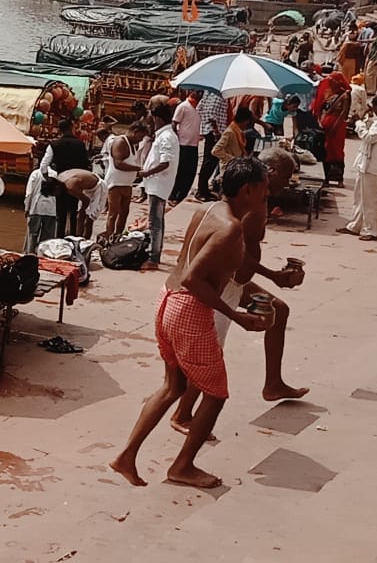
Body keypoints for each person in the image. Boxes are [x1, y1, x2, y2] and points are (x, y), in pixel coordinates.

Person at [109, 158, 272, 489]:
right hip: (188, 310)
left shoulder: (209, 210)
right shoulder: (231, 228)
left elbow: (209, 264)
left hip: (166, 301)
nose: (267, 199)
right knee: (215, 394)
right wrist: (237, 317)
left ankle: (126, 456)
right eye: (265, 193)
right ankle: (182, 466)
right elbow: (194, 277)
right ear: (248, 191)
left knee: (174, 386)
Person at [170, 148, 310, 436]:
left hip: (236, 279)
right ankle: (183, 414)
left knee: (279, 310)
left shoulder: (257, 201)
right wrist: (273, 276)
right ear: (268, 174)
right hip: (228, 280)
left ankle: (273, 383)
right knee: (211, 352)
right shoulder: (246, 208)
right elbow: (234, 253)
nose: (289, 181)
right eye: (285, 175)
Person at [337, 94, 377, 241]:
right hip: (366, 164)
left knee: (371, 200)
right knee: (360, 197)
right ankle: (355, 225)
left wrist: (359, 124)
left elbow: (369, 137)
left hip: (374, 166)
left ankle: (372, 230)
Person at [141, 104, 179, 270]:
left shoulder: (166, 137)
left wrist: (147, 172)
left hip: (158, 183)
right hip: (156, 183)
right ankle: (154, 254)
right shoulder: (165, 135)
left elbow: (165, 162)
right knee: (157, 221)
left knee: (154, 222)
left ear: (157, 118)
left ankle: (154, 257)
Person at [39, 119, 91, 238]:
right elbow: (86, 164)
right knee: (74, 212)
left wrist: (51, 180)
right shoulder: (80, 144)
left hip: (61, 183)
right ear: (71, 128)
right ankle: (74, 238)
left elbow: (43, 167)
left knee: (60, 215)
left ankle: (59, 239)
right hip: (78, 182)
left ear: (59, 129)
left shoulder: (54, 144)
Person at [102, 123, 147, 240]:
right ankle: (109, 237)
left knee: (124, 212)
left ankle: (118, 236)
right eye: (140, 137)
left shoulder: (132, 144)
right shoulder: (120, 142)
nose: (140, 140)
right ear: (135, 131)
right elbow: (118, 164)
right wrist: (138, 168)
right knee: (113, 213)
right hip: (115, 184)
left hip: (127, 184)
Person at [318, 76, 353, 185]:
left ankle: (339, 178)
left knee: (337, 151)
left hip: (337, 127)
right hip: (326, 125)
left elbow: (343, 113)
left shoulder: (345, 95)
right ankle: (327, 177)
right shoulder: (330, 94)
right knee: (326, 150)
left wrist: (335, 126)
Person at [55, 168, 108, 240]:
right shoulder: (60, 178)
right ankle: (78, 239)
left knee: (89, 219)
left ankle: (85, 242)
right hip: (87, 189)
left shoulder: (70, 187)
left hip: (98, 188)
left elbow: (86, 200)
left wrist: (82, 211)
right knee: (79, 218)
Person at [169, 91, 201, 205]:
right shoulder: (183, 106)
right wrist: (176, 138)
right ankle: (173, 195)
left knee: (190, 171)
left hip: (194, 144)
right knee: (181, 171)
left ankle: (182, 195)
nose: (200, 94)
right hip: (183, 144)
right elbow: (174, 123)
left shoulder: (198, 108)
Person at [195, 90, 228, 201]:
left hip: (212, 130)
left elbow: (199, 108)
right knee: (209, 161)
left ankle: (204, 189)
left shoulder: (208, 93)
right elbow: (211, 113)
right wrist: (215, 129)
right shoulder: (217, 95)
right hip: (214, 132)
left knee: (211, 161)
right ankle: (201, 191)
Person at [22, 168, 59, 254]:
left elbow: (29, 193)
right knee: (48, 239)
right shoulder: (55, 175)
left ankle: (29, 255)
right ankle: (44, 256)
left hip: (35, 209)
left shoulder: (35, 174)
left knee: (32, 236)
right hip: (51, 210)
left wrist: (27, 208)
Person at [213, 106, 252, 174]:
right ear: (246, 121)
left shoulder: (238, 131)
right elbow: (215, 151)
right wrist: (233, 159)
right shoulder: (230, 132)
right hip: (229, 169)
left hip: (236, 166)